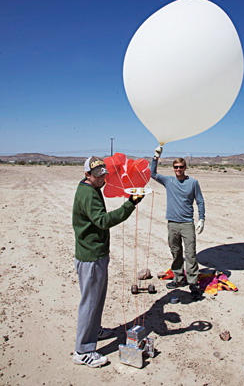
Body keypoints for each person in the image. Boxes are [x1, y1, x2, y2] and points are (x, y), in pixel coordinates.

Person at [72, 156, 144, 368]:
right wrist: (130, 204)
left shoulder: (87, 188)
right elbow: (103, 221)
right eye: (97, 176)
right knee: (90, 301)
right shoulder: (89, 195)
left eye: (104, 174)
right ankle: (83, 350)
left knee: (95, 299)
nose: (102, 178)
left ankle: (94, 330)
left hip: (92, 254)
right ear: (87, 175)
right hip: (91, 257)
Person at [151, 146, 205, 300]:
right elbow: (152, 174)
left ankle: (193, 283)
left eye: (181, 167)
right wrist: (155, 158)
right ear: (173, 168)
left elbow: (200, 201)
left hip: (187, 223)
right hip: (172, 223)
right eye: (176, 167)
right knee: (176, 253)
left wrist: (202, 218)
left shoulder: (193, 183)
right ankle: (179, 278)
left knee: (190, 254)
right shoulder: (168, 181)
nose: (178, 169)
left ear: (185, 168)